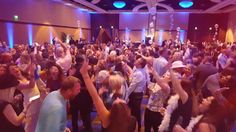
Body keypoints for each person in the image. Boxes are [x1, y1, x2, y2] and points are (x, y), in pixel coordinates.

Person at [80, 59, 137, 132]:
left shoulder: (107, 119)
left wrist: (85, 75)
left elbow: (95, 97)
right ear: (127, 109)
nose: (117, 99)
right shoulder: (133, 121)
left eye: (116, 101)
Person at [127, 57, 148, 132]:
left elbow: (132, 86)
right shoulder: (140, 70)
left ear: (139, 65)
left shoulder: (139, 73)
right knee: (135, 112)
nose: (135, 61)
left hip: (136, 95)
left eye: (137, 61)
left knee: (135, 113)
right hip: (138, 94)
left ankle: (137, 128)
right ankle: (136, 127)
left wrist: (126, 96)